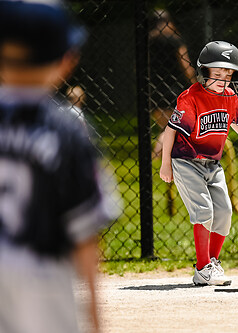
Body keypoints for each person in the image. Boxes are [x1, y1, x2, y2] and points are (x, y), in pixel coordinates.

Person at [0, 1, 120, 332]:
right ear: (67, 61)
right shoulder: (66, 131)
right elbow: (85, 235)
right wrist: (95, 320)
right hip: (42, 280)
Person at [159, 41, 238, 286]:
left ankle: (211, 264)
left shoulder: (230, 96)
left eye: (228, 75)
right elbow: (170, 131)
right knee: (203, 211)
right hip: (186, 161)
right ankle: (202, 266)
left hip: (213, 165)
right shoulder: (191, 97)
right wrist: (165, 165)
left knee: (224, 212)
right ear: (203, 72)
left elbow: (237, 122)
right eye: (217, 74)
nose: (222, 80)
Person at [149, 9, 197, 159]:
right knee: (170, 129)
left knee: (166, 128)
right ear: (168, 21)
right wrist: (194, 83)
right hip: (173, 89)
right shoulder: (175, 40)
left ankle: (157, 160)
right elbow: (185, 65)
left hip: (154, 90)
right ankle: (155, 158)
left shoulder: (148, 41)